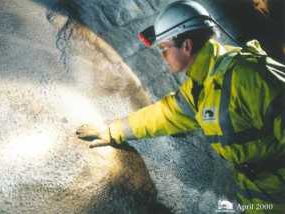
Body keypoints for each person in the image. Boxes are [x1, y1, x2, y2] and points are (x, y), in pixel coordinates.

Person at [76, 1, 285, 213]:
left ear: (186, 45)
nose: (163, 56)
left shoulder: (248, 77)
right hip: (256, 194)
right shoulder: (202, 86)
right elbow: (165, 115)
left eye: (165, 49)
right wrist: (113, 130)